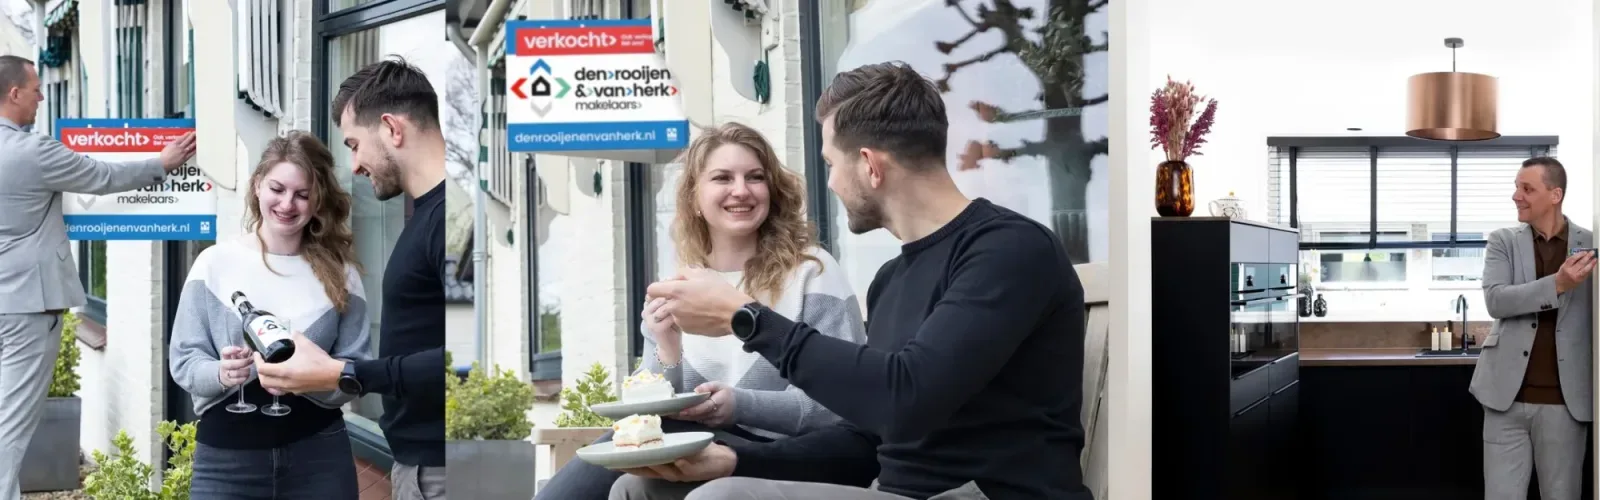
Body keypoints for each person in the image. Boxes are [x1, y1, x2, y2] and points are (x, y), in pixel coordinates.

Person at [612, 61, 1092, 500]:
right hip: (888, 490)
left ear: (870, 165)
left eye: (830, 164)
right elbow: (867, 439)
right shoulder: (892, 278)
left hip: (985, 494)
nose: (831, 183)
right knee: (639, 490)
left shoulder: (1008, 251)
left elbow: (906, 398)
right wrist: (736, 460)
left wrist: (747, 320)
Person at [534, 122, 868, 500]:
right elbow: (651, 408)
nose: (741, 190)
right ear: (694, 196)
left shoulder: (813, 273)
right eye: (722, 178)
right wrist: (666, 347)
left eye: (755, 177)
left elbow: (840, 404)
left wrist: (740, 406)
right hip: (690, 446)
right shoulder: (681, 284)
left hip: (785, 458)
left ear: (772, 192)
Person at [0, 55, 195, 500]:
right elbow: (100, 175)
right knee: (9, 429)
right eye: (35, 89)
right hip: (28, 308)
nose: (42, 97)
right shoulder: (32, 150)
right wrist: (161, 162)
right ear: (13, 94)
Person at [252, 57, 447, 500]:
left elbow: (466, 363)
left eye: (354, 144)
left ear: (392, 129)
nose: (354, 164)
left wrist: (343, 372)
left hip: (440, 470)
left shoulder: (446, 218)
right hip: (423, 463)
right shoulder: (428, 215)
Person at [170, 131, 371, 499]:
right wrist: (221, 372)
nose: (287, 203)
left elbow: (356, 366)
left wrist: (309, 379)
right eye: (277, 189)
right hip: (226, 465)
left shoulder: (342, 275)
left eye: (302, 194)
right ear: (258, 185)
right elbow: (185, 360)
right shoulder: (214, 265)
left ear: (317, 202)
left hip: (319, 458)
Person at [1471, 156, 1595, 500]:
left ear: (1555, 195)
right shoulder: (1503, 241)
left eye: (1527, 188)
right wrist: (1557, 283)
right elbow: (1497, 300)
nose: (1516, 196)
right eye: (1516, 187)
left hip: (1566, 403)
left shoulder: (1591, 244)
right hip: (1503, 400)